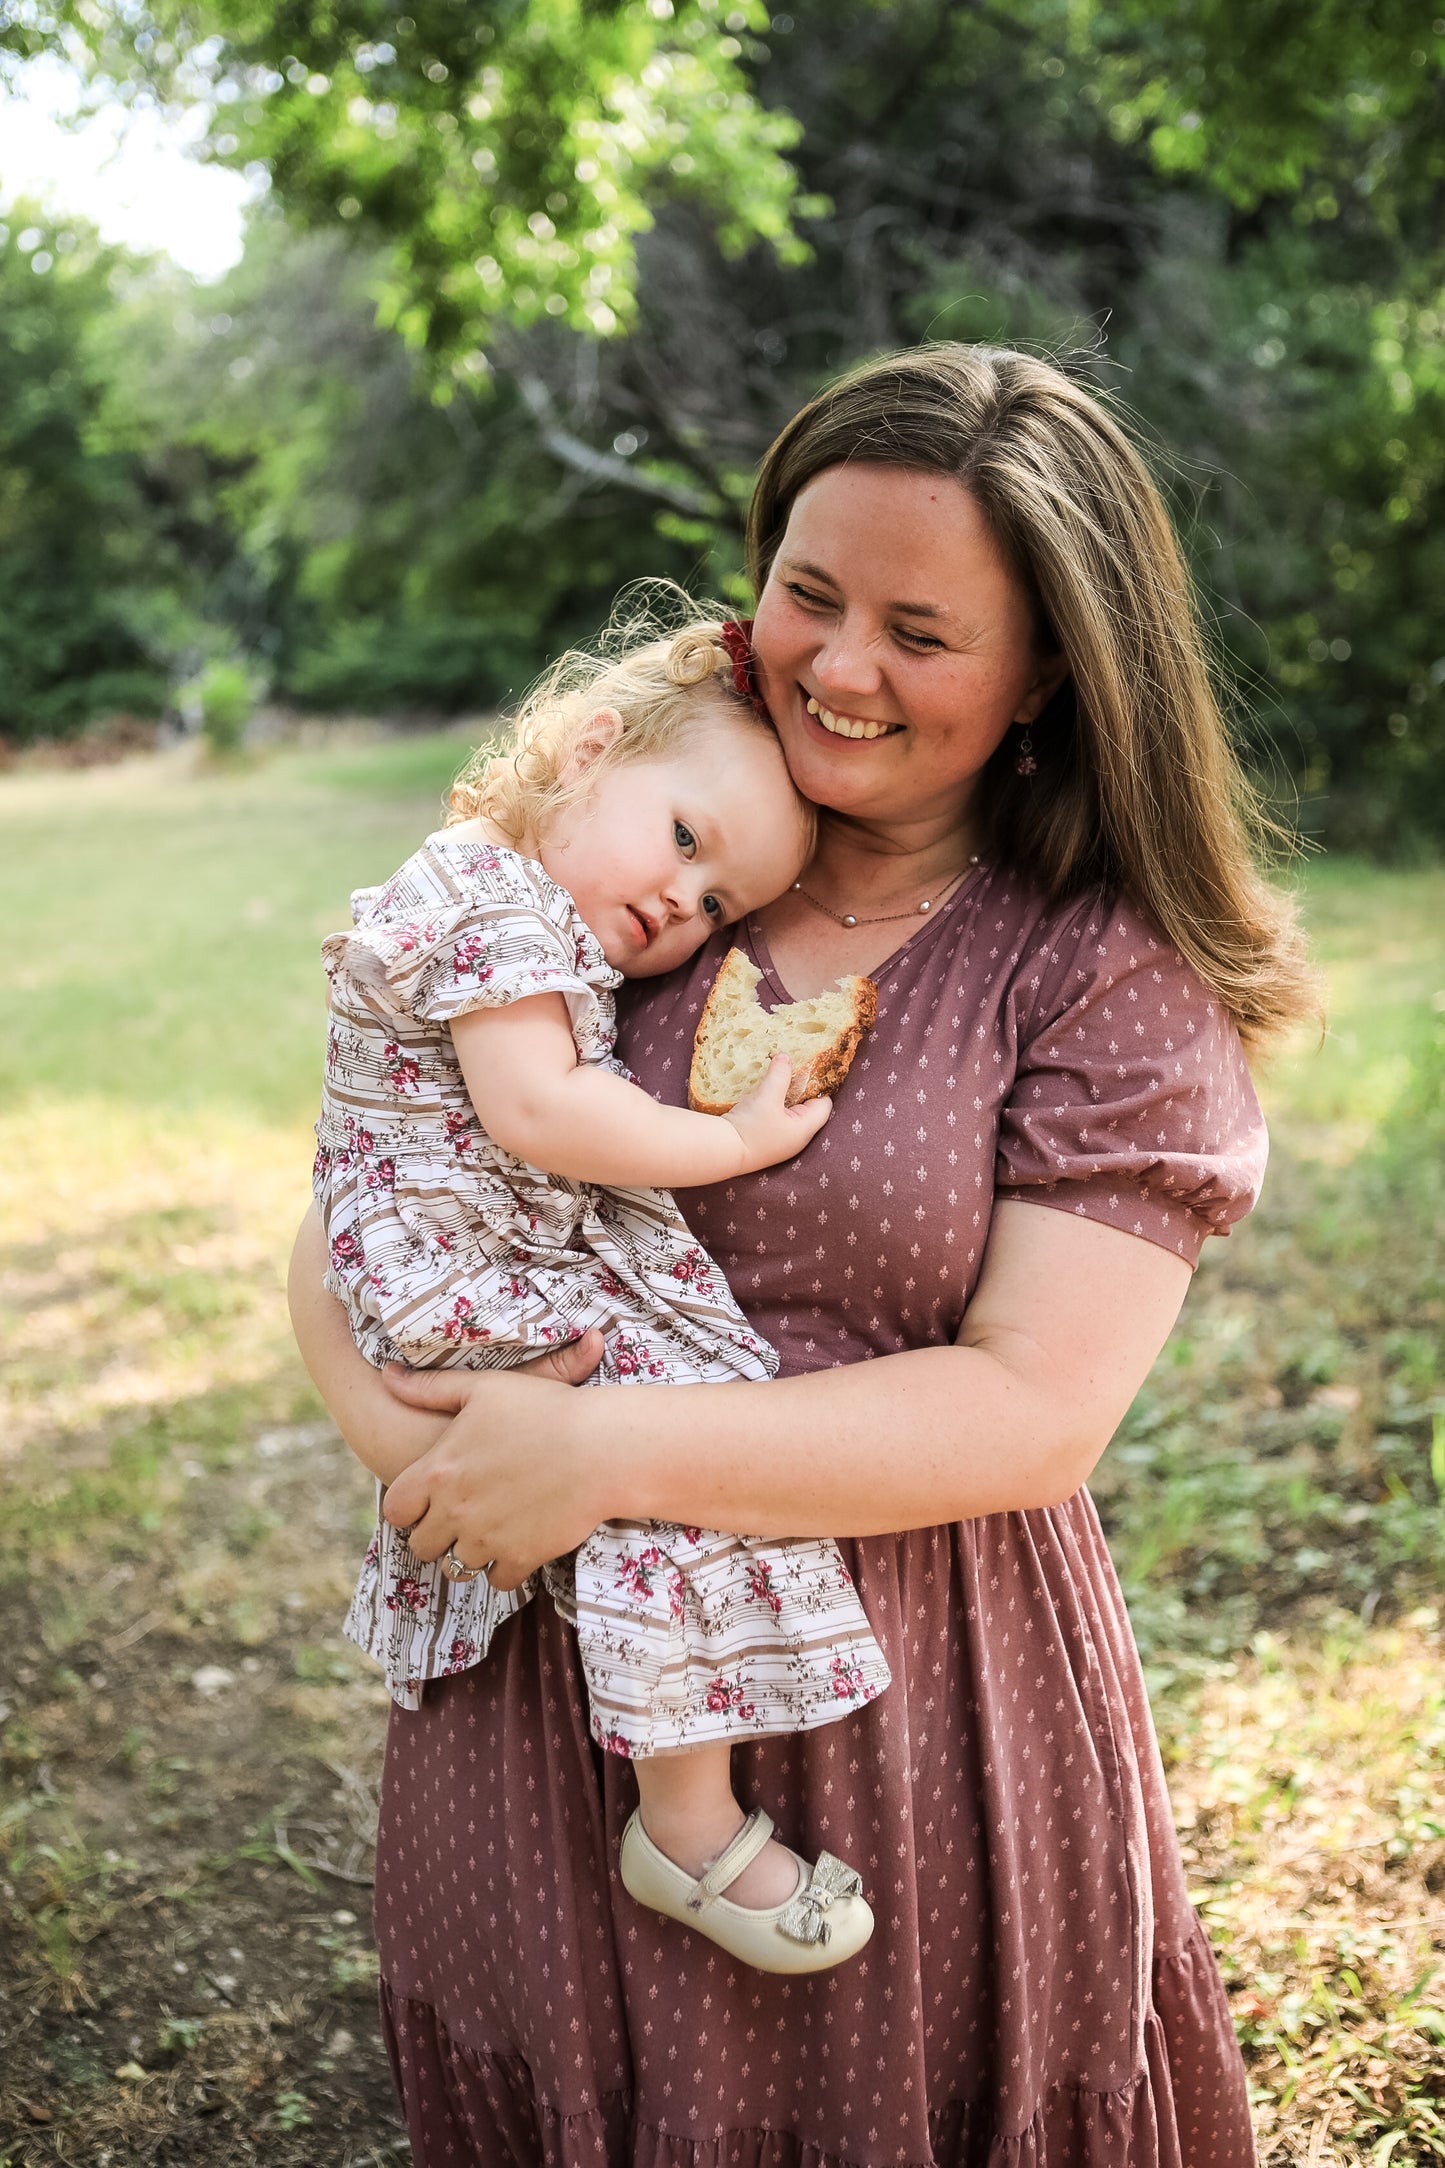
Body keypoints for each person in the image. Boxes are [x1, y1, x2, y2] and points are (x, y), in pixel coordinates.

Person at [290, 343, 1316, 2167]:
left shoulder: (1091, 968)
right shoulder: (637, 863)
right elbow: (369, 1181)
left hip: (904, 1707)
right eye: (809, 594)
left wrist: (595, 1456)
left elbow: (1031, 1412)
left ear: (1047, 676)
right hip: (540, 1677)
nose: (839, 667)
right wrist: (427, 1458)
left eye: (920, 632)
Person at [315, 619, 888, 1972]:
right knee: (671, 1456)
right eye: (684, 842)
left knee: (676, 1441)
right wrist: (736, 1144)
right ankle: (684, 1829)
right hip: (455, 1272)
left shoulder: (511, 907)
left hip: (464, 1258)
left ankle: (683, 1788)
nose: (678, 911)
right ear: (584, 752)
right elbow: (539, 1112)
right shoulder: (489, 898)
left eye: (712, 908)